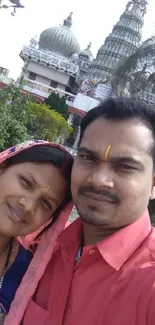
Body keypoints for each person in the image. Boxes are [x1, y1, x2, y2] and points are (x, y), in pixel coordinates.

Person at [5, 97, 155, 325]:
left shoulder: (148, 283)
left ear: (153, 185)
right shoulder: (41, 252)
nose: (99, 180)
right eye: (87, 158)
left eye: (124, 167)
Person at [0, 139, 73, 324]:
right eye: (26, 182)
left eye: (46, 203)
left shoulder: (26, 274)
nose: (29, 205)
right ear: (3, 167)